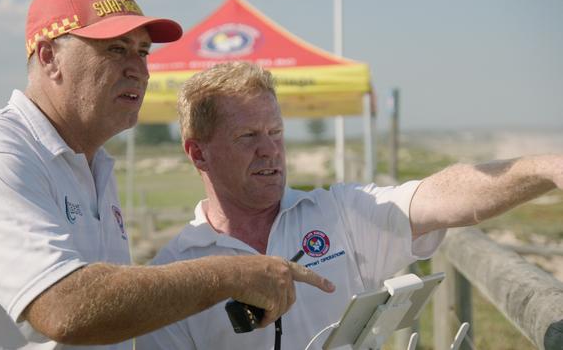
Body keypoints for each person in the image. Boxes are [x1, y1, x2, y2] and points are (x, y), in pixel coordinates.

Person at [0, 0, 335, 349]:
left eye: (143, 51)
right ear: (48, 57)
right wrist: (229, 272)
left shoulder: (89, 166)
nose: (138, 68)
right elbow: (65, 308)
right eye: (115, 49)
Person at [135, 61, 563, 349]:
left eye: (277, 133)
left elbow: (445, 198)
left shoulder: (339, 212)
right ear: (198, 153)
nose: (270, 151)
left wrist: (546, 169)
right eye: (248, 137)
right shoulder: (171, 275)